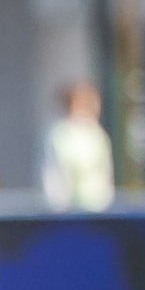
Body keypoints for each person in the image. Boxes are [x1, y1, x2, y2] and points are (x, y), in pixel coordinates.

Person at [43, 78, 117, 211]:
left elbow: (104, 175)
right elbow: (53, 177)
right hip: (67, 211)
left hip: (98, 209)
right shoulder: (59, 135)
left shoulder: (97, 134)